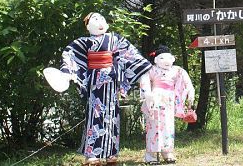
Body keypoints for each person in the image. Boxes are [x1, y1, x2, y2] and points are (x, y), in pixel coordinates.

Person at [59, 12, 152, 166]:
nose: (100, 22)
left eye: (102, 19)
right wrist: (67, 73)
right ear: (87, 26)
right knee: (94, 115)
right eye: (95, 20)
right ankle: (92, 155)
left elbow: (129, 55)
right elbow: (71, 55)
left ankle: (111, 153)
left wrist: (141, 72)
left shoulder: (115, 39)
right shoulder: (84, 42)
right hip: (95, 82)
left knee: (112, 116)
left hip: (111, 82)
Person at [140, 45, 195, 164]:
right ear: (155, 60)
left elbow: (187, 82)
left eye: (168, 58)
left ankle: (167, 152)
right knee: (154, 126)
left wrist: (190, 91)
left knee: (168, 126)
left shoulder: (177, 70)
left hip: (169, 100)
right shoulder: (151, 70)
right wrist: (148, 95)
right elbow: (144, 82)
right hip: (155, 99)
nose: (166, 61)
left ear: (173, 59)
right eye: (162, 58)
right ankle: (151, 155)